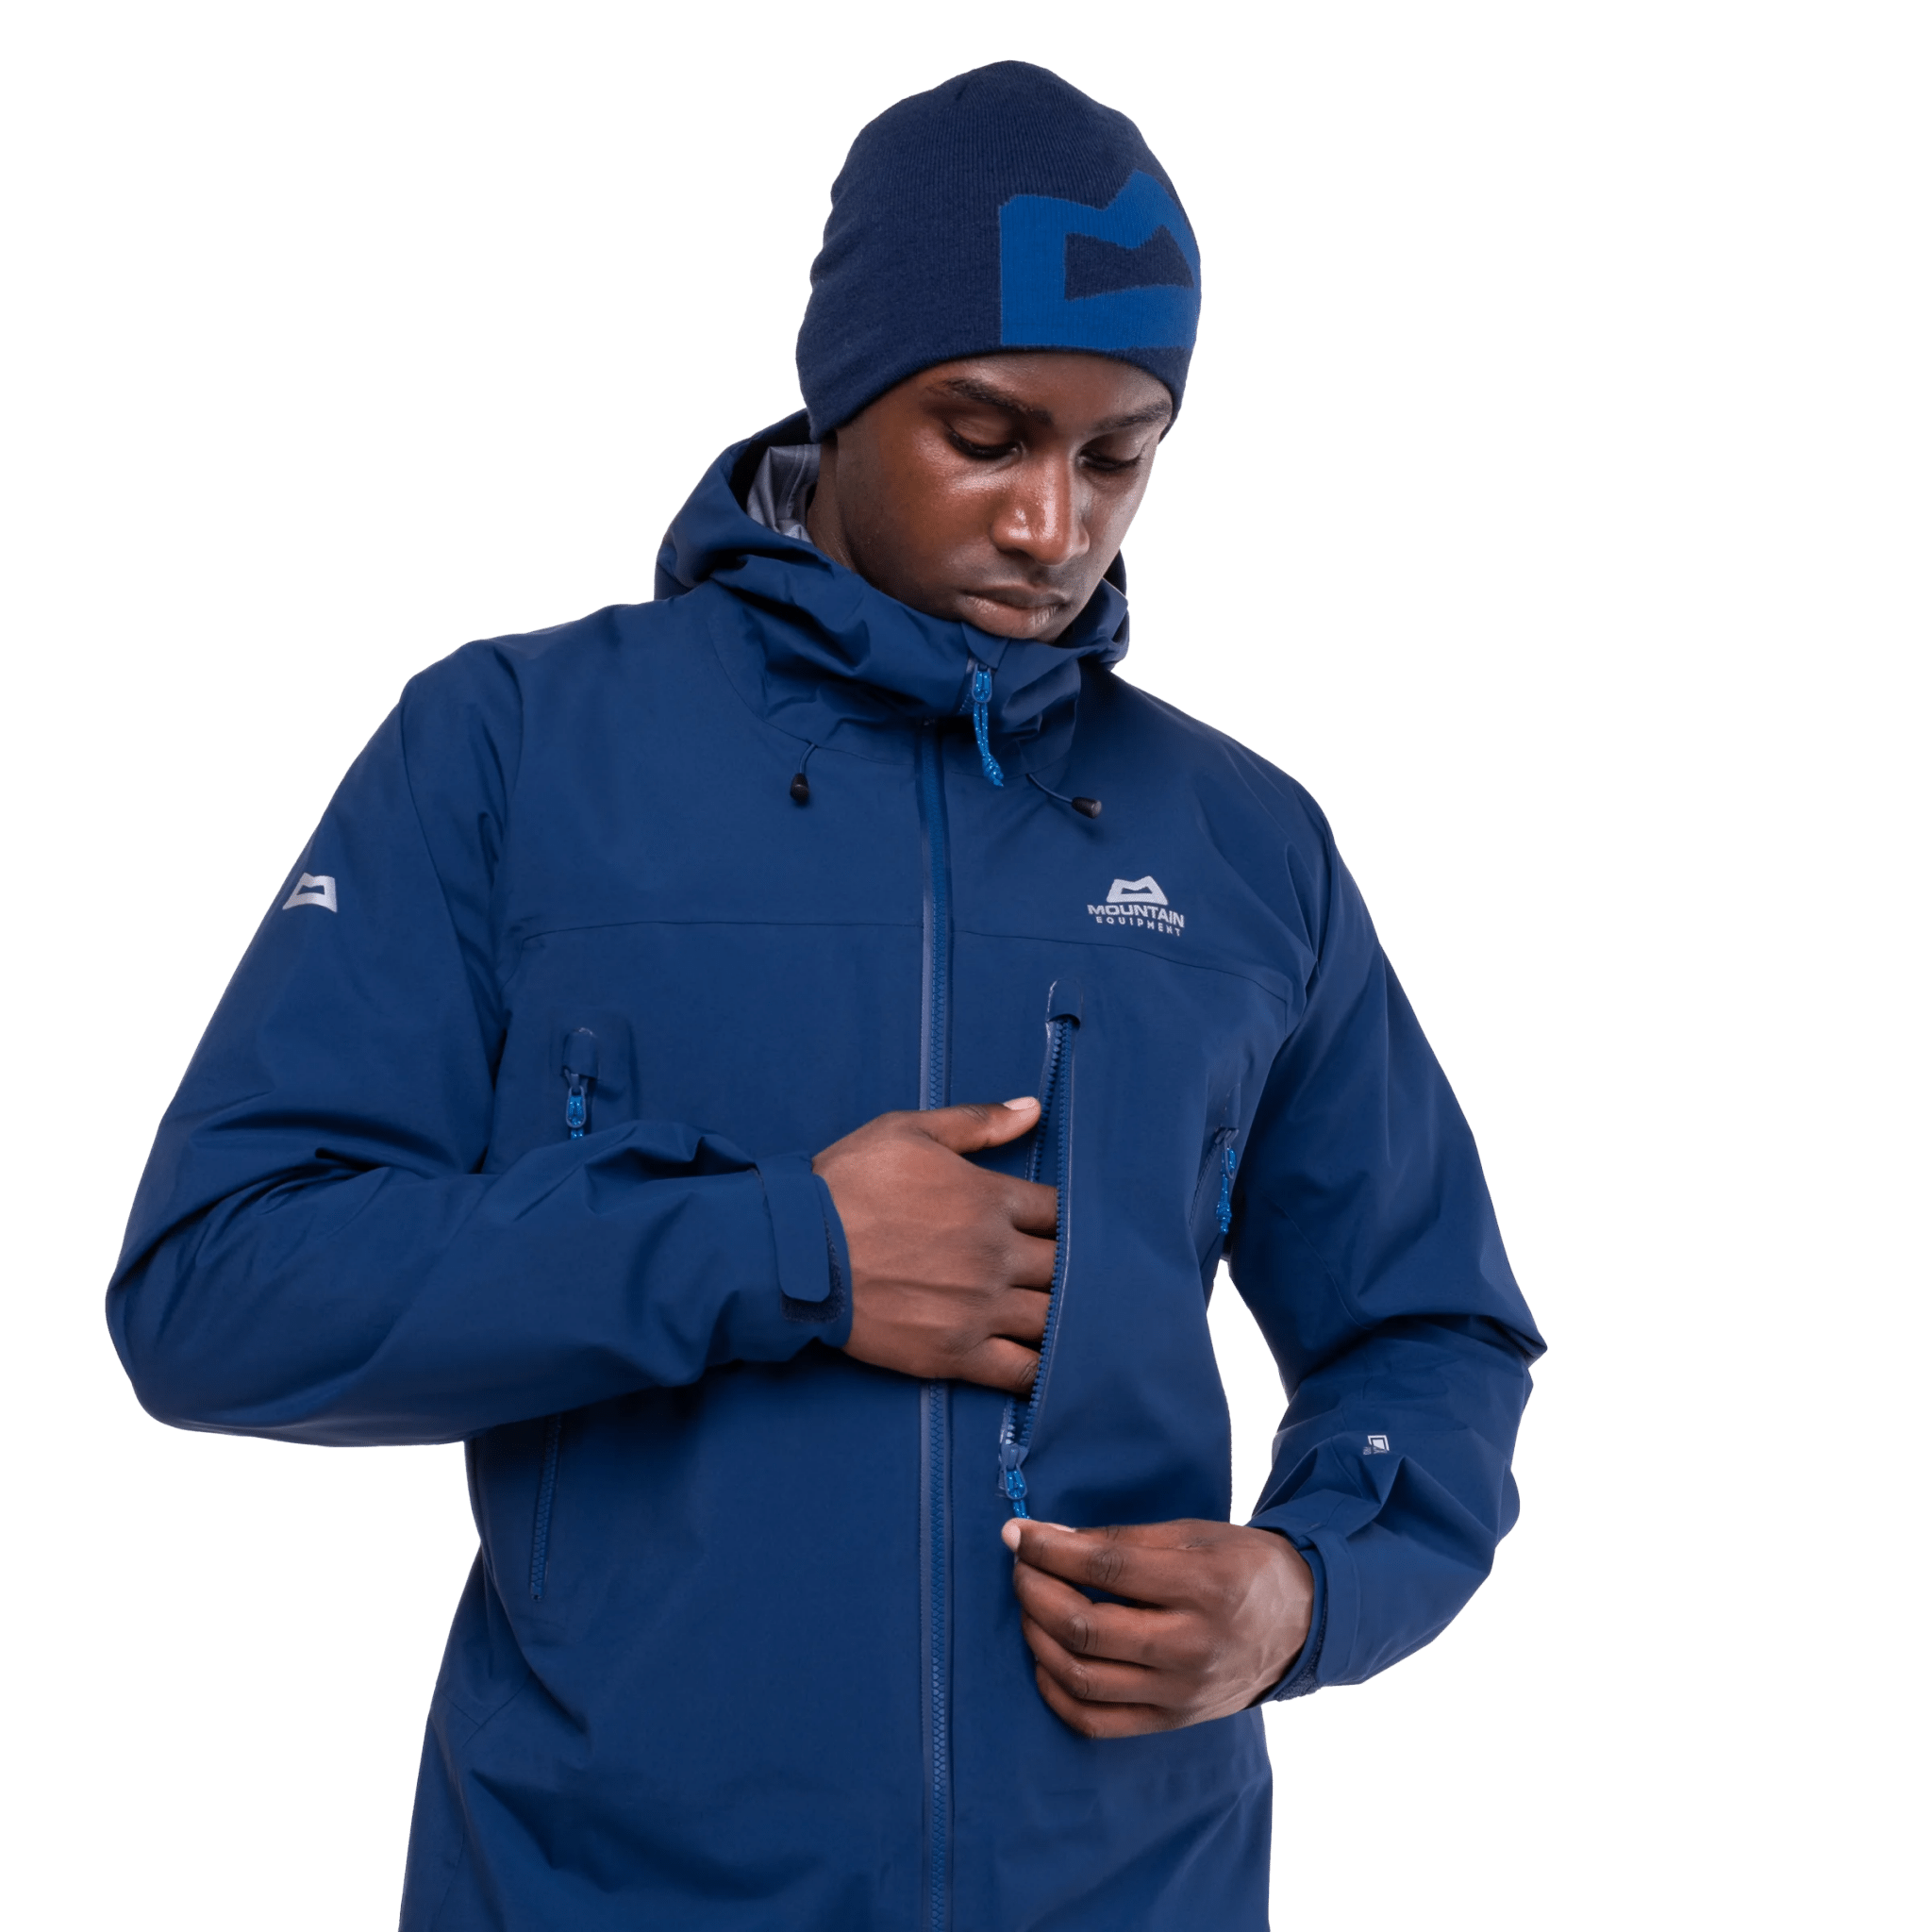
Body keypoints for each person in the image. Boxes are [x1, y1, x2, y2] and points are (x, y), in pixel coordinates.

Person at [108, 60, 1544, 1931]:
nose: (1052, 524)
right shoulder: (516, 749)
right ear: (847, 393)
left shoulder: (1242, 840)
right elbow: (217, 1289)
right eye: (984, 433)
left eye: (1116, 456)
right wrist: (783, 1248)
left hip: (1127, 1888)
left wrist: (1308, 1590)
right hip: (601, 1886)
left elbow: (1430, 1324)